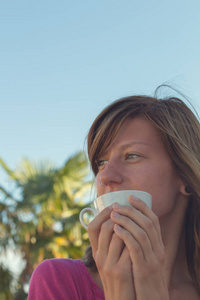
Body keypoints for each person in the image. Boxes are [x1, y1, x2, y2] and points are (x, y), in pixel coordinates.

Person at [28, 88, 200, 300]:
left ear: (185, 176)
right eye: (101, 162)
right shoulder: (59, 281)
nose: (105, 176)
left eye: (131, 156)